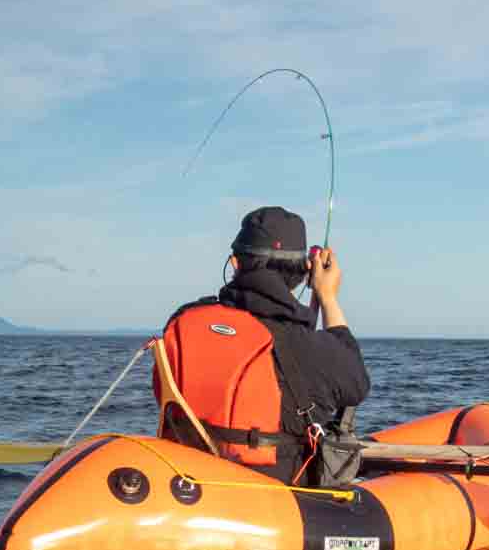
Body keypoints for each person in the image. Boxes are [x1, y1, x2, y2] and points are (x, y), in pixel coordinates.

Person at [154, 206, 370, 484]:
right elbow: (356, 385)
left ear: (235, 263)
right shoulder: (308, 347)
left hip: (184, 486)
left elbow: (162, 391)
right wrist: (327, 298)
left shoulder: (184, 321)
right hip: (270, 499)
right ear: (306, 270)